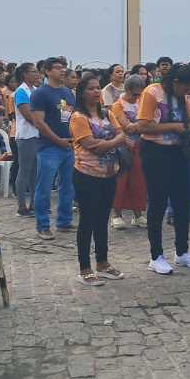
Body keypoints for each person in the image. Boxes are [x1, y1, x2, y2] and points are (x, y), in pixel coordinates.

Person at [136, 62, 190, 274]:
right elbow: (143, 125)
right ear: (175, 82)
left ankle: (182, 251)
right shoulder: (152, 92)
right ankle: (156, 256)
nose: (187, 92)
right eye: (185, 88)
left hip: (178, 151)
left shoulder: (182, 97)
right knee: (158, 202)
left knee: (182, 202)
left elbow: (189, 118)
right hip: (155, 152)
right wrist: (174, 127)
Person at [69, 74, 127, 286]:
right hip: (87, 174)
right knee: (87, 221)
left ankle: (102, 262)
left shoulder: (107, 113)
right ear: (82, 93)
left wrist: (109, 142)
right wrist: (114, 142)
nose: (96, 91)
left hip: (109, 173)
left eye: (97, 88)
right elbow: (92, 145)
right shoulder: (78, 118)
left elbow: (122, 133)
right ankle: (85, 267)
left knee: (102, 219)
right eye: (91, 88)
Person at [29, 58, 77, 241]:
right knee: (45, 187)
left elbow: (71, 117)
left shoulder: (68, 92)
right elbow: (39, 122)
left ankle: (64, 220)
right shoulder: (40, 94)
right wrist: (58, 140)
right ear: (47, 71)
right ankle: (43, 225)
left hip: (69, 146)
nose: (62, 70)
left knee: (68, 186)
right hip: (49, 147)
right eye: (57, 68)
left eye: (63, 67)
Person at [109, 74, 149, 229]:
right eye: (135, 94)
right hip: (123, 147)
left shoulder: (142, 102)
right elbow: (125, 126)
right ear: (127, 90)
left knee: (139, 182)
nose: (137, 97)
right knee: (121, 182)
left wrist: (139, 127)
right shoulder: (118, 105)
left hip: (140, 146)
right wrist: (141, 126)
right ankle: (116, 215)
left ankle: (138, 214)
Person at [12, 62, 40, 217]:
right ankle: (21, 205)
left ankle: (34, 203)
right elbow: (28, 115)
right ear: (25, 74)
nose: (37, 74)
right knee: (24, 170)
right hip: (26, 135)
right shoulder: (21, 91)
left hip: (36, 134)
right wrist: (42, 124)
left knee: (35, 171)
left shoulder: (35, 90)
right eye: (33, 71)